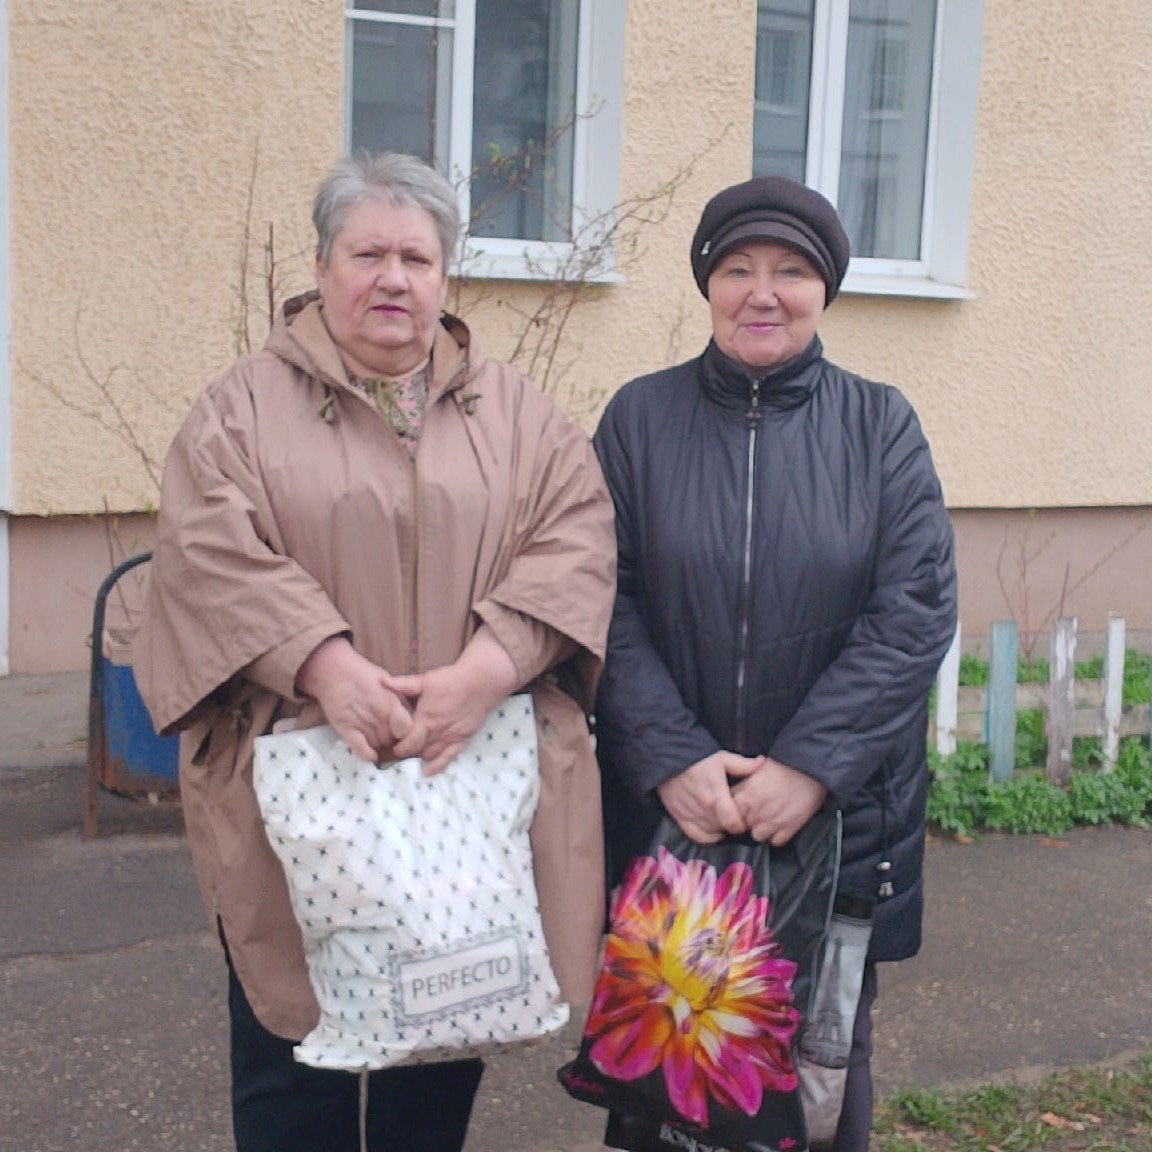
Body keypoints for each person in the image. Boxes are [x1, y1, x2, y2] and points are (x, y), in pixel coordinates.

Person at [131, 151, 616, 1152]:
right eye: (368, 255)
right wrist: (323, 664)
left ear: (445, 276)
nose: (393, 279)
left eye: (417, 258)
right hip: (297, 773)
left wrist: (486, 671)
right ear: (323, 267)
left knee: (442, 1036)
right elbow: (203, 554)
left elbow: (577, 540)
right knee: (291, 1045)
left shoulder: (516, 413)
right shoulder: (239, 410)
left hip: (464, 767)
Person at [590, 175, 958, 1152]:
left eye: (791, 271)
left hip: (835, 824)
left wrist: (807, 768)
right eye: (738, 270)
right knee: (667, 1073)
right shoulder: (639, 420)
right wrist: (673, 757)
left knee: (818, 1076)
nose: (763, 292)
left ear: (824, 288)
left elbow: (914, 610)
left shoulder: (880, 426)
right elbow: (599, 601)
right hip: (679, 820)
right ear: (707, 286)